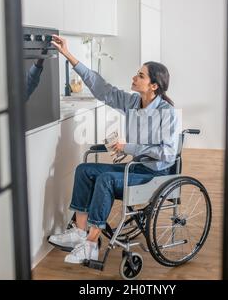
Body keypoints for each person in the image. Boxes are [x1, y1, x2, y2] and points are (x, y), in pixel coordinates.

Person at [48, 34, 180, 264]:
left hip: (156, 175)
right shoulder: (132, 102)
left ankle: (91, 245)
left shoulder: (167, 113)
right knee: (84, 169)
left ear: (154, 86)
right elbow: (101, 88)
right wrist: (68, 55)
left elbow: (168, 153)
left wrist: (128, 147)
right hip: (136, 168)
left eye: (140, 75)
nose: (134, 77)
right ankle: (80, 234)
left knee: (106, 179)